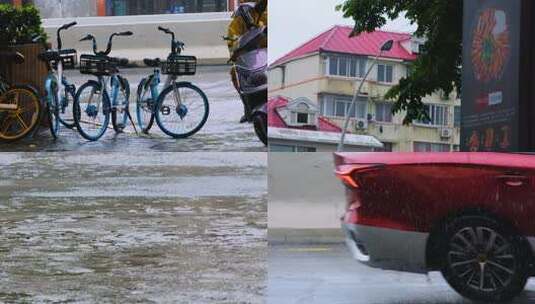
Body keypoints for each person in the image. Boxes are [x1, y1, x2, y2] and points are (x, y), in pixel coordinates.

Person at [226, 0, 267, 123]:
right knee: (235, 74)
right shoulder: (239, 19)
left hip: (266, 54)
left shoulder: (268, 14)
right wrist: (237, 49)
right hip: (248, 57)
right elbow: (232, 40)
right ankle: (247, 107)